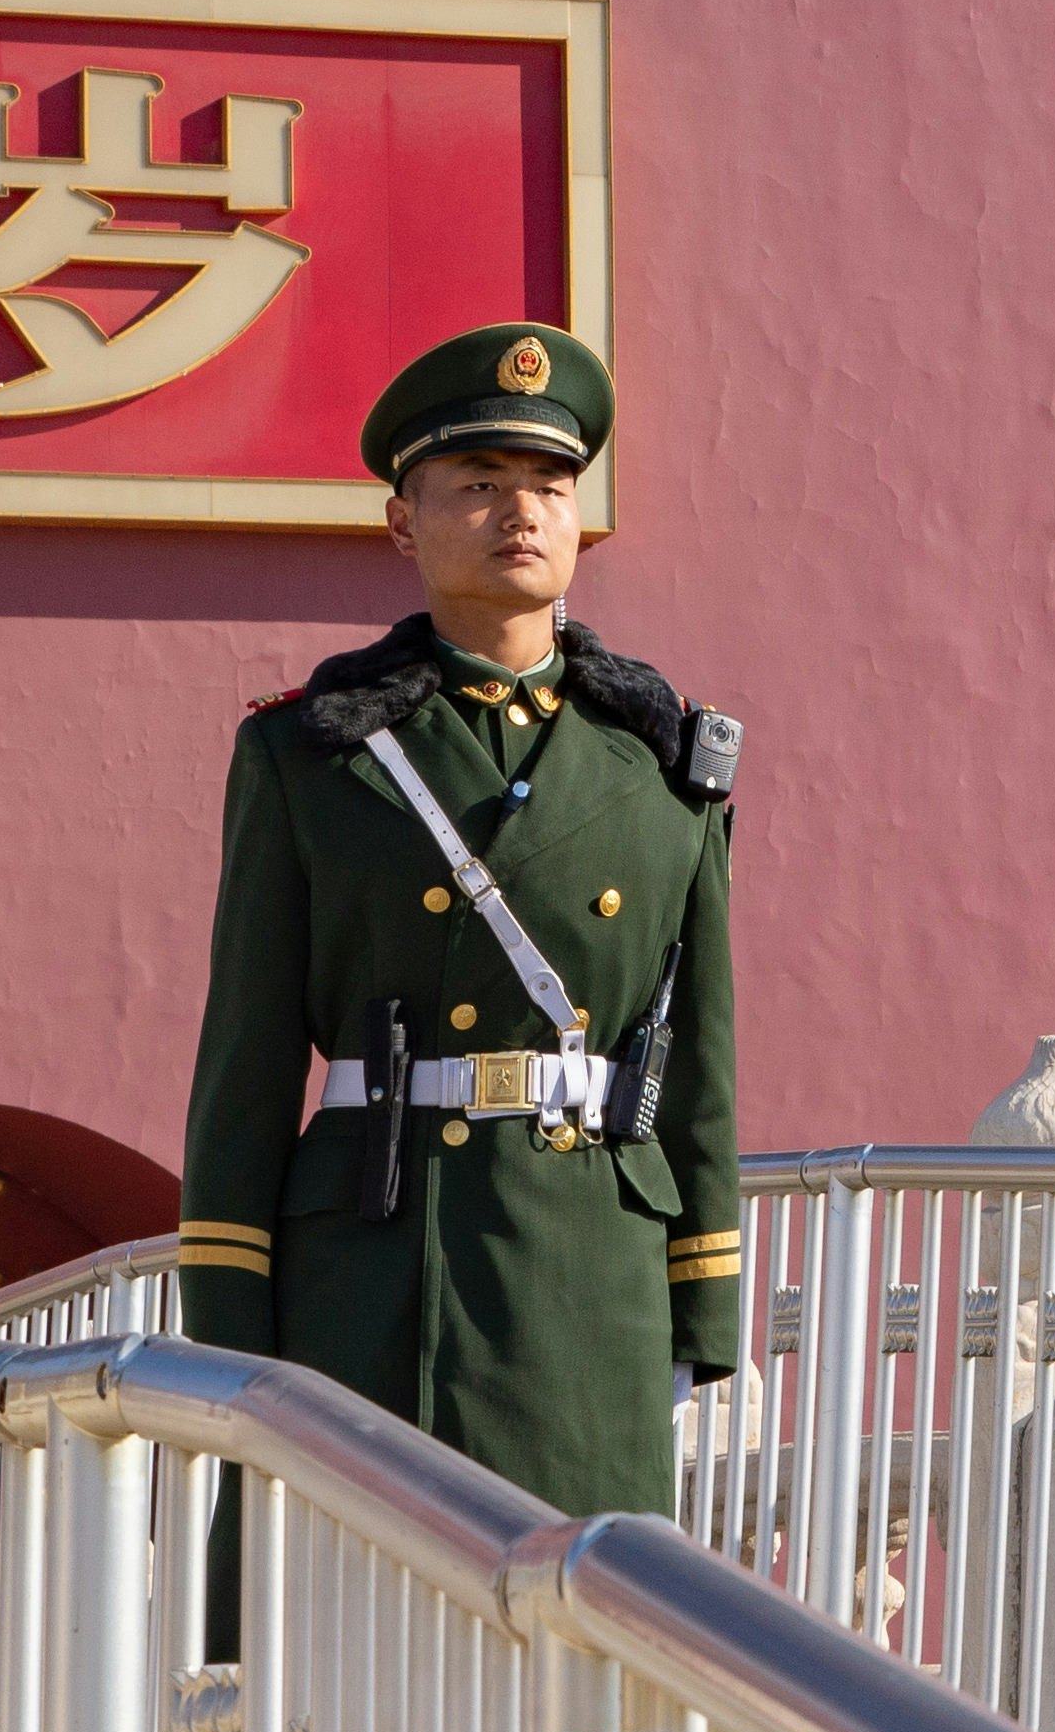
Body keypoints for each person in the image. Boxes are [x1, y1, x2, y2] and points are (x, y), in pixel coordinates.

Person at [178, 324, 742, 1523]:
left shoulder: (658, 766)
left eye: (547, 484)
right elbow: (248, 1057)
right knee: (352, 1628)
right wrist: (230, 1315)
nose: (520, 513)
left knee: (577, 1639)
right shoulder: (310, 753)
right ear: (403, 522)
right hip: (375, 1262)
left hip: (589, 1269)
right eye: (478, 485)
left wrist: (703, 1308)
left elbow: (693, 1061)